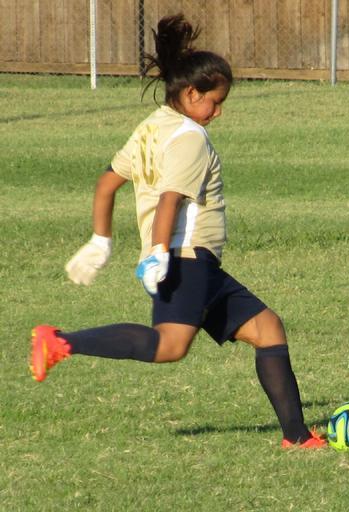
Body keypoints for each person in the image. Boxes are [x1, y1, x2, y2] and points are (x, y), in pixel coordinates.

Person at [29, 14, 326, 449]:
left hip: (190, 261)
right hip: (183, 258)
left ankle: (297, 438)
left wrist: (100, 240)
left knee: (268, 329)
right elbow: (170, 199)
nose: (219, 111)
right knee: (170, 345)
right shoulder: (190, 137)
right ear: (191, 93)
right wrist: (158, 253)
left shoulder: (152, 127)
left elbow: (107, 183)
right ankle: (58, 342)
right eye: (215, 102)